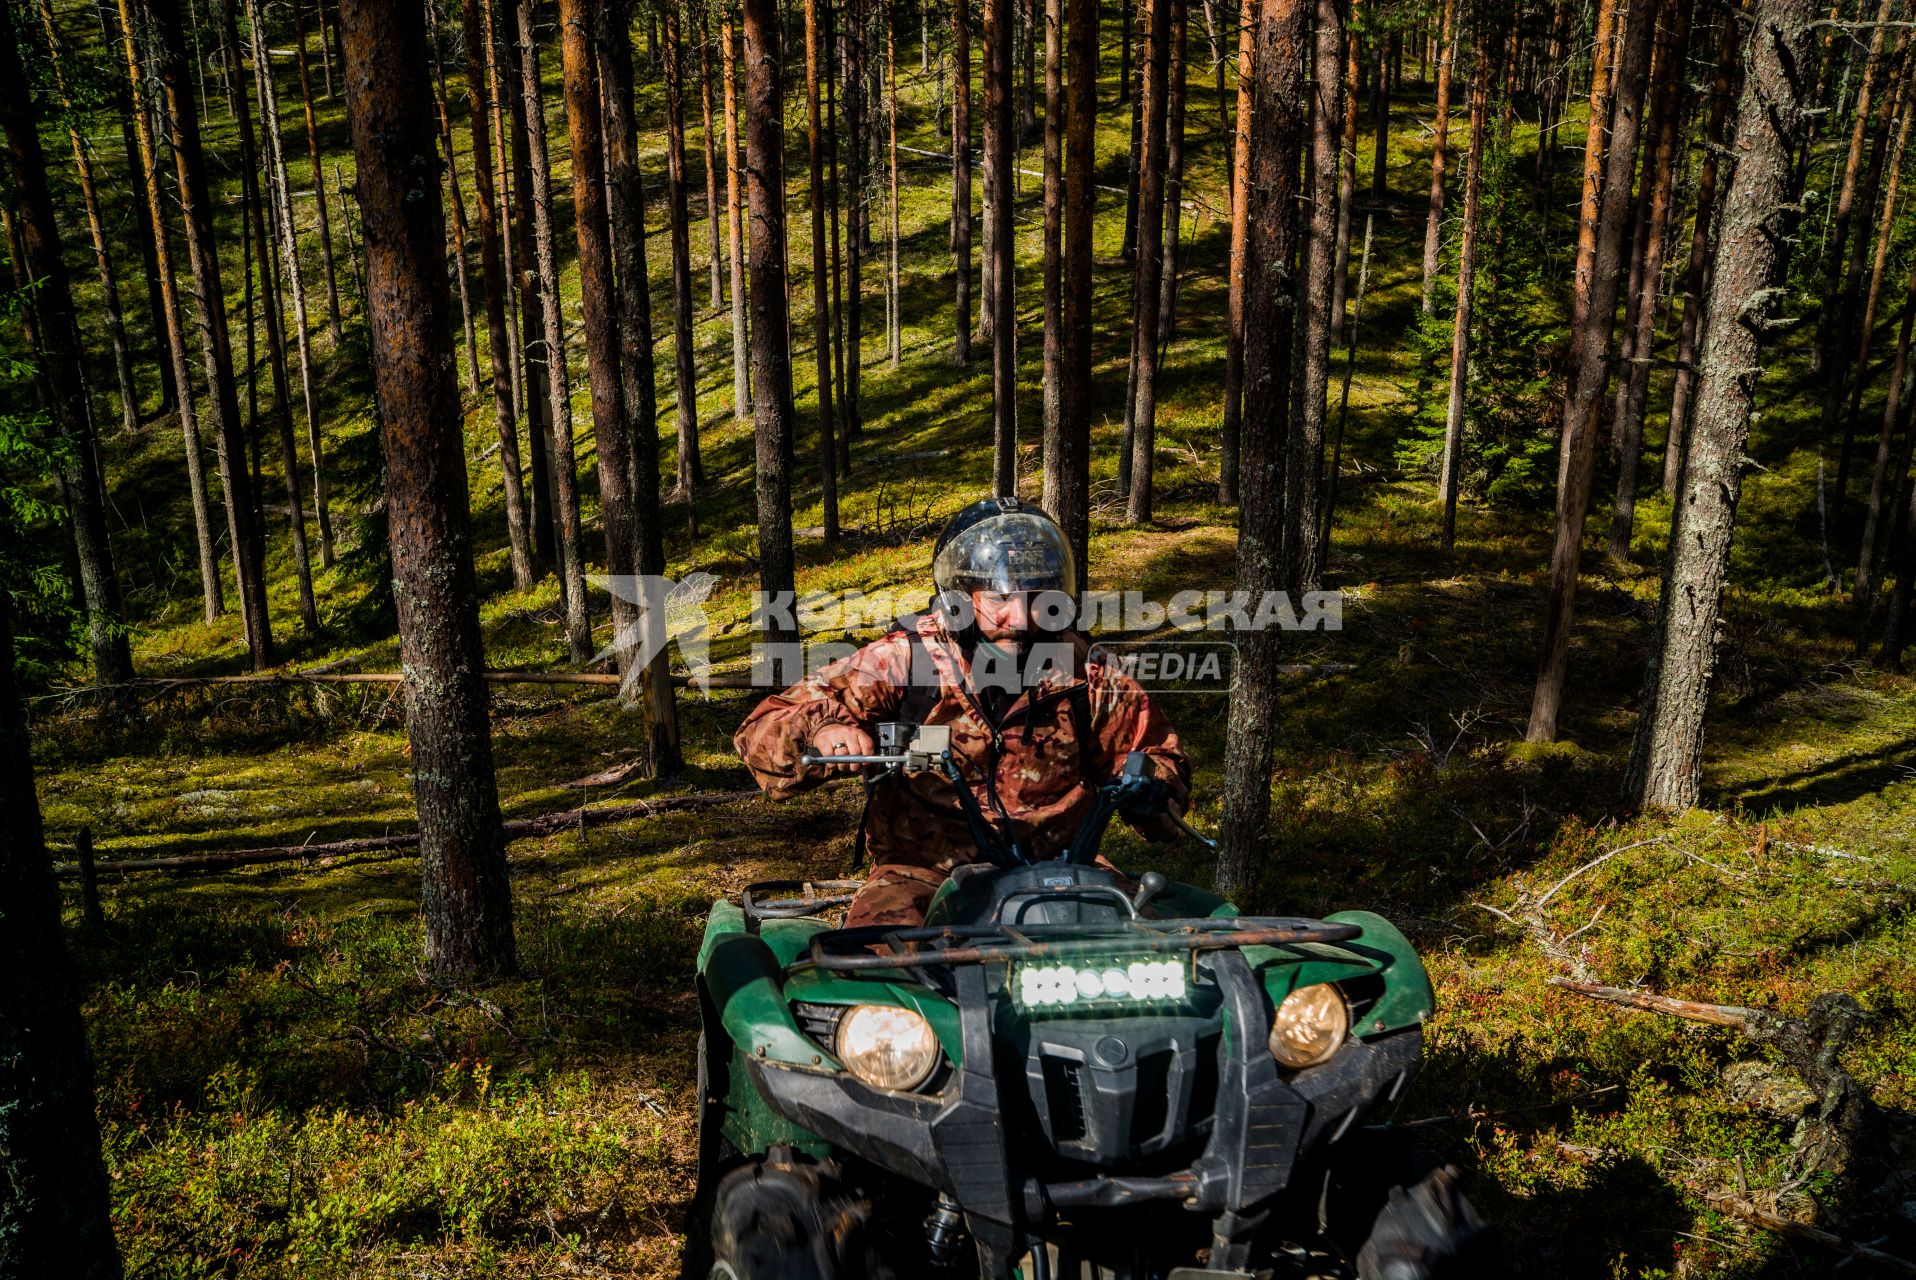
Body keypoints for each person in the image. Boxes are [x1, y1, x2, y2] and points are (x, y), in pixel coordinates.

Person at [735, 497, 1191, 928]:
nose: (1019, 618)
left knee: (1149, 956)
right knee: (877, 968)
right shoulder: (905, 661)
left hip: (1064, 871)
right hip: (922, 874)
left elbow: (1155, 756)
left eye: (1036, 599)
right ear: (959, 597)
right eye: (998, 599)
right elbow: (761, 730)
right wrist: (823, 730)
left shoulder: (1083, 670)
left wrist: (1153, 787)